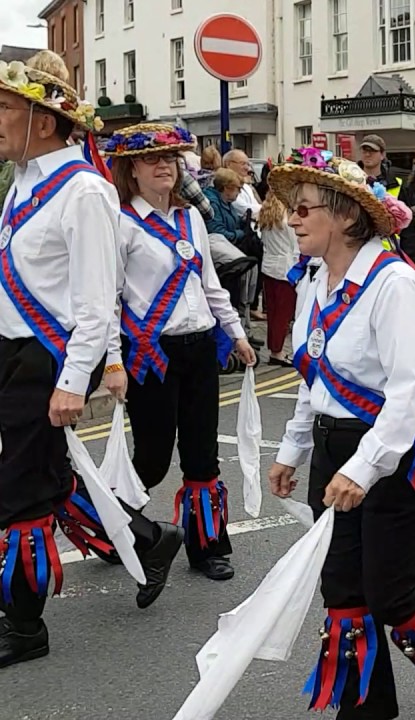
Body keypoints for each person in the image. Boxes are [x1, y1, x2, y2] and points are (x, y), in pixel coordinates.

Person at [266, 148, 415, 719]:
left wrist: (362, 467)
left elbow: (409, 393)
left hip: (402, 447)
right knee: (341, 583)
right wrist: (294, 448)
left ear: (344, 216)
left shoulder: (394, 285)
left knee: (389, 590)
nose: (292, 219)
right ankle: (366, 708)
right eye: (292, 209)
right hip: (336, 443)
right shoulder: (314, 280)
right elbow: (311, 373)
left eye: (304, 208)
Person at [0, 56, 184, 668]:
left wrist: (75, 380)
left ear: (45, 120)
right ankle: (146, 540)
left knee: (23, 494)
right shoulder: (22, 179)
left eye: (4, 108)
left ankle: (24, 626)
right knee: (39, 476)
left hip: (44, 359)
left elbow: (95, 301)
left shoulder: (84, 190)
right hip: (9, 351)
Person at [101, 123, 257, 582]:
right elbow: (108, 298)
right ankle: (117, 527)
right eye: (152, 159)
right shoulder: (121, 222)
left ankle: (207, 547)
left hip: (199, 345)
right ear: (132, 170)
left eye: (169, 158)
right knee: (151, 455)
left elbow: (209, 284)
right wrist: (113, 360)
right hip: (151, 352)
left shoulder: (191, 218)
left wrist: (237, 333)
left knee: (201, 449)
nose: (164, 166)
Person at [258, 189, 301, 365]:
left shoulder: (266, 214)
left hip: (268, 266)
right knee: (284, 314)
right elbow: (295, 245)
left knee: (273, 313)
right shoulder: (286, 218)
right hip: (286, 268)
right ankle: (278, 352)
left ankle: (274, 348)